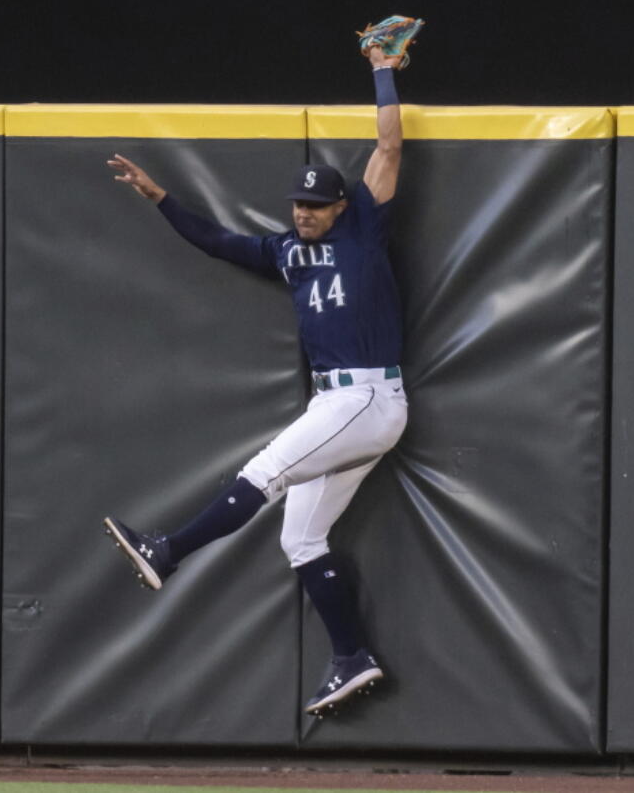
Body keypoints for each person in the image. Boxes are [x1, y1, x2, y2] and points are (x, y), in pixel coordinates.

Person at [102, 43, 407, 717]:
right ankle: (352, 657)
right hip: (343, 403)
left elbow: (388, 146)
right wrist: (160, 198)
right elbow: (216, 242)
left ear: (338, 207)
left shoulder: (362, 232)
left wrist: (381, 69)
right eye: (298, 202)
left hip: (367, 394)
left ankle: (170, 550)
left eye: (316, 205)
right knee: (300, 537)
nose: (303, 212)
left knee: (265, 471)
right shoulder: (286, 250)